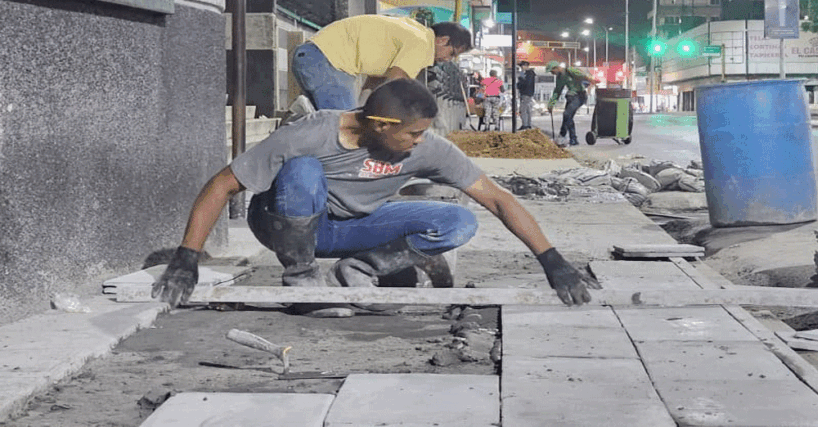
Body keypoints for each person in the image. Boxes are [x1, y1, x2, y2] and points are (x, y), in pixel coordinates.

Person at [151, 79, 599, 312]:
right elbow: (222, 184)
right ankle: (304, 283)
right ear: (381, 125)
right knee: (303, 171)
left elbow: (498, 199)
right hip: (287, 224)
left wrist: (552, 261)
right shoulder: (311, 133)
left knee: (458, 221)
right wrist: (187, 258)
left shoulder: (427, 147)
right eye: (413, 134)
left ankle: (358, 269)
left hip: (354, 230)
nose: (421, 142)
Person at [290, 14, 473, 112]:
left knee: (342, 120)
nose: (447, 59)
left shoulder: (416, 33)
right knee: (345, 128)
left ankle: (301, 116)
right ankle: (300, 118)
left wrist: (363, 108)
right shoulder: (423, 44)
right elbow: (396, 80)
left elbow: (376, 80)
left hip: (314, 57)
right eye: (452, 53)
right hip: (327, 62)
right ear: (442, 40)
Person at [545, 61, 597, 146]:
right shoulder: (560, 78)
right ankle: (571, 139)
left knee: (567, 114)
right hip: (571, 97)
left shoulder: (570, 71)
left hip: (580, 96)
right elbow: (557, 91)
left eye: (552, 71)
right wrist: (551, 104)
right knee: (568, 117)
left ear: (556, 68)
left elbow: (583, 75)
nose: (552, 73)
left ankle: (564, 136)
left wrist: (591, 80)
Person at [516, 61, 536, 130]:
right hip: (528, 94)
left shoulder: (528, 74)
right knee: (528, 110)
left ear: (525, 66)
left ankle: (525, 125)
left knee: (524, 110)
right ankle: (528, 124)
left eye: (521, 66)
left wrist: (519, 81)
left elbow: (524, 84)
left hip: (525, 93)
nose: (521, 68)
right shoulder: (530, 74)